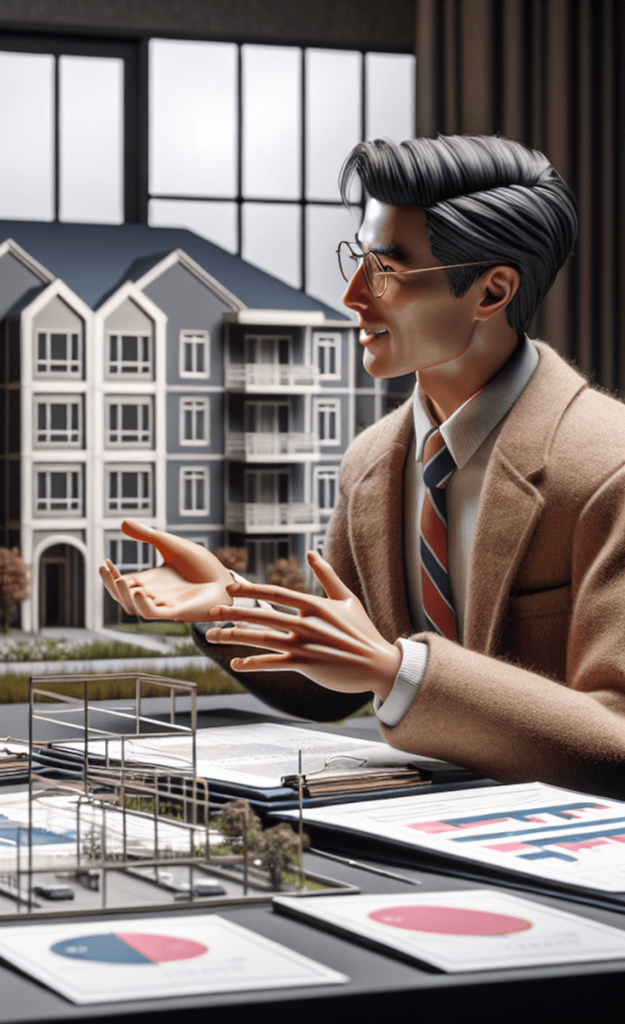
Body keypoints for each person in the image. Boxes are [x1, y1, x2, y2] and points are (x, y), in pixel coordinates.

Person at [102, 135, 625, 799]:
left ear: (491, 291)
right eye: (358, 258)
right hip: (412, 823)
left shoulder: (609, 466)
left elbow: (617, 734)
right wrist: (226, 605)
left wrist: (399, 669)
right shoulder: (374, 460)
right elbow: (336, 679)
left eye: (388, 270)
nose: (352, 295)